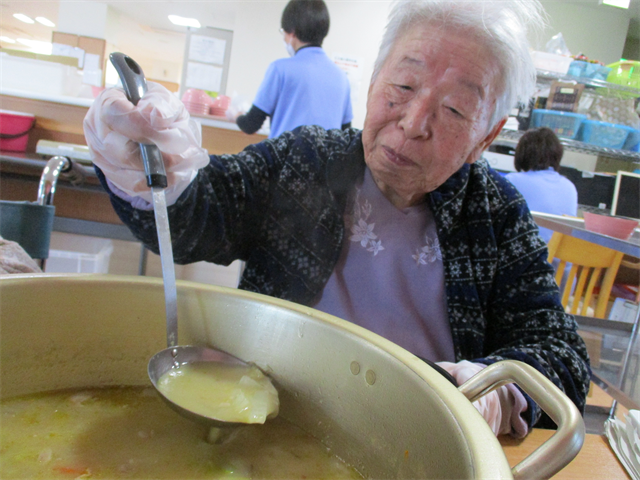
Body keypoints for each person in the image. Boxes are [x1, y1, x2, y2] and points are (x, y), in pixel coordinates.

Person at [84, 0, 590, 438]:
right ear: (374, 78)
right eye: (403, 85)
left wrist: (492, 388)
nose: (413, 124)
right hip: (265, 423)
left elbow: (561, 357)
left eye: (455, 110)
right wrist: (157, 171)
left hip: (418, 443)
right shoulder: (306, 160)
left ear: (487, 136)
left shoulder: (496, 213)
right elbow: (199, 216)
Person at [235, 0, 353, 138]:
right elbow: (346, 134)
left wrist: (236, 116)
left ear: (292, 32)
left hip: (284, 158)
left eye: (283, 32)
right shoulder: (341, 78)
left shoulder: (280, 69)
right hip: (326, 159)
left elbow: (251, 124)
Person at [506, 127, 578, 243]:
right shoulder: (570, 186)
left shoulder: (512, 181)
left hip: (525, 258)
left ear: (522, 153)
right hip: (558, 260)